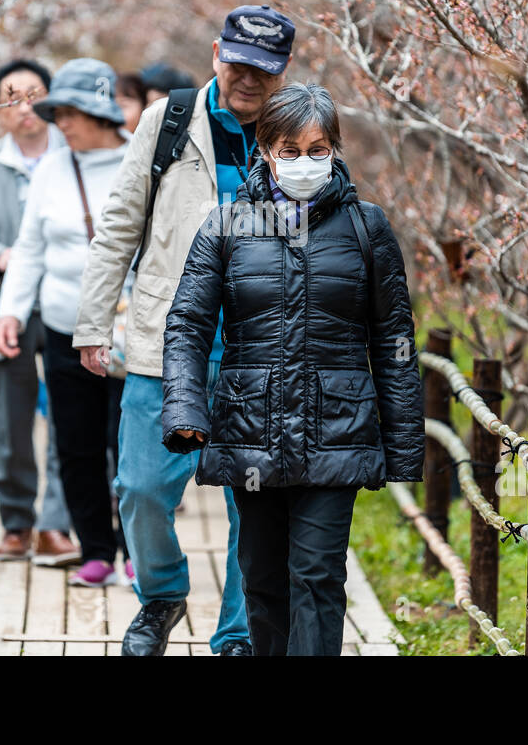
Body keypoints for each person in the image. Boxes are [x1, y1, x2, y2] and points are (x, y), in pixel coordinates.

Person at [162, 82, 424, 655]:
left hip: (337, 432)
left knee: (318, 575)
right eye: (289, 150)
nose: (304, 163)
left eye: (317, 150)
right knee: (261, 577)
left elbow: (394, 341)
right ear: (264, 150)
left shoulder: (367, 228)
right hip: (249, 432)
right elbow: (187, 325)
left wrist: (404, 449)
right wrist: (185, 410)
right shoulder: (226, 226)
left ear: (334, 150)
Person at [73, 4, 296, 656]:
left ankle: (237, 635)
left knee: (250, 507)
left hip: (260, 354)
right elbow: (119, 225)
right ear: (216, 52)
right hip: (165, 345)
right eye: (239, 63)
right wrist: (93, 321)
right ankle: (163, 595)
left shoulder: (298, 134)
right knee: (140, 489)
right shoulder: (167, 120)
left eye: (264, 69)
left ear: (281, 73)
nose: (248, 79)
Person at [0, 58, 133, 587]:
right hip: (61, 331)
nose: (61, 125)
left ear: (98, 114)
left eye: (69, 114)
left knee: (128, 446)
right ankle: (95, 548)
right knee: (74, 445)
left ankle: (135, 550)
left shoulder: (136, 164)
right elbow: (29, 249)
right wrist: (11, 310)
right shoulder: (54, 168)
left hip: (125, 334)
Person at [0, 59, 78, 564]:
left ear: (50, 100)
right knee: (10, 422)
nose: (24, 107)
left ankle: (56, 524)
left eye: (34, 95)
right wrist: (0, 257)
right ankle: (16, 523)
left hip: (67, 302)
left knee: (70, 417)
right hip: (1, 304)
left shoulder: (75, 158)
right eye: (11, 97)